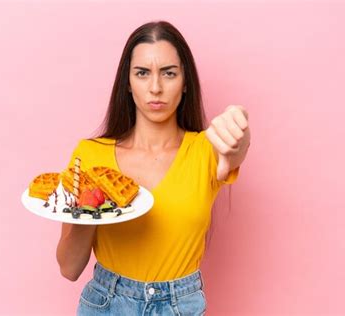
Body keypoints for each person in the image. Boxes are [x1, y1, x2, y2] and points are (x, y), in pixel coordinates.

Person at [56, 20, 251, 315]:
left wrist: (239, 130)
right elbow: (69, 268)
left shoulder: (206, 149)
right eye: (142, 73)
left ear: (185, 83)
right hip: (106, 304)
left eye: (169, 73)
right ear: (128, 83)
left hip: (179, 306)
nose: (156, 88)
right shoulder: (90, 155)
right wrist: (91, 206)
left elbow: (234, 152)